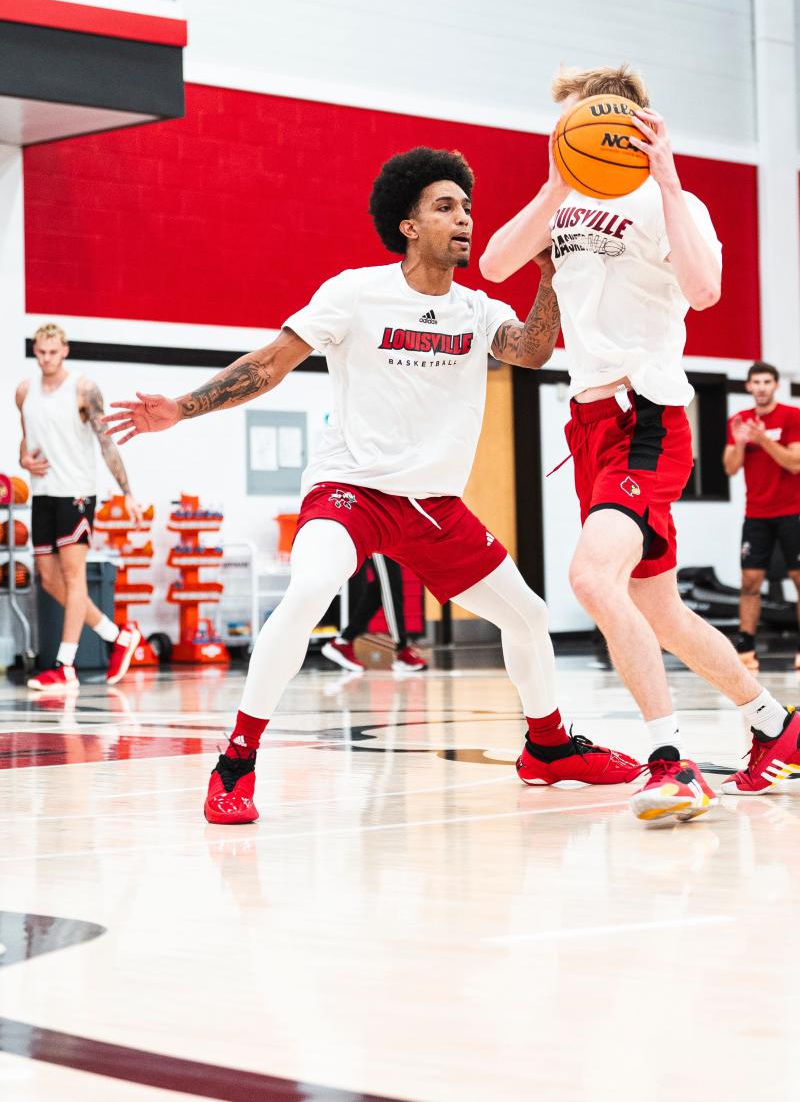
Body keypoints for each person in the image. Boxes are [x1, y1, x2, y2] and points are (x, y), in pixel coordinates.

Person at [104, 148, 642, 825]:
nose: (465, 219)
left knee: (529, 615)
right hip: (349, 488)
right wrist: (181, 407)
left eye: (468, 207)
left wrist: (550, 280)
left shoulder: (475, 310)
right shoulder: (355, 292)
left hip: (432, 504)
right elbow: (270, 364)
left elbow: (532, 350)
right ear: (408, 224)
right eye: (445, 206)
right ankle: (235, 761)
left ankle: (549, 744)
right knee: (308, 591)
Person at [480, 64, 800, 820]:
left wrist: (668, 180)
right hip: (589, 425)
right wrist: (551, 180)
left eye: (580, 123)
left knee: (591, 578)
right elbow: (495, 262)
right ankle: (779, 725)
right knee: (658, 608)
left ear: (624, 124)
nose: (567, 134)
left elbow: (705, 290)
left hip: (648, 416)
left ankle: (673, 760)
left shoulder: (673, 202)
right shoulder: (566, 201)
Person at [16, 323, 145, 692]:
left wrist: (128, 492)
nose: (46, 359)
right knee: (50, 580)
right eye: (41, 352)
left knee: (74, 578)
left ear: (65, 350)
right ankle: (117, 635)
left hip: (77, 493)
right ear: (35, 350)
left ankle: (65, 666)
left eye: (53, 352)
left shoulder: (83, 388)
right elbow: (25, 443)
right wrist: (24, 461)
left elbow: (106, 442)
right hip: (43, 494)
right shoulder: (25, 391)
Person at [724, 361, 800, 671]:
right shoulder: (738, 421)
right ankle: (747, 646)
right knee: (750, 581)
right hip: (756, 514)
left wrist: (764, 439)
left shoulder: (793, 416)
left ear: (776, 385)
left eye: (767, 381)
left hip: (791, 511)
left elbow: (795, 462)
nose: (762, 387)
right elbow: (730, 467)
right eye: (756, 382)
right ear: (749, 387)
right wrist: (739, 442)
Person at [323, 553, 428, 673]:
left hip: (390, 537)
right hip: (379, 537)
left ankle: (344, 640)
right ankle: (401, 649)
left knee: (381, 587)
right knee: (391, 584)